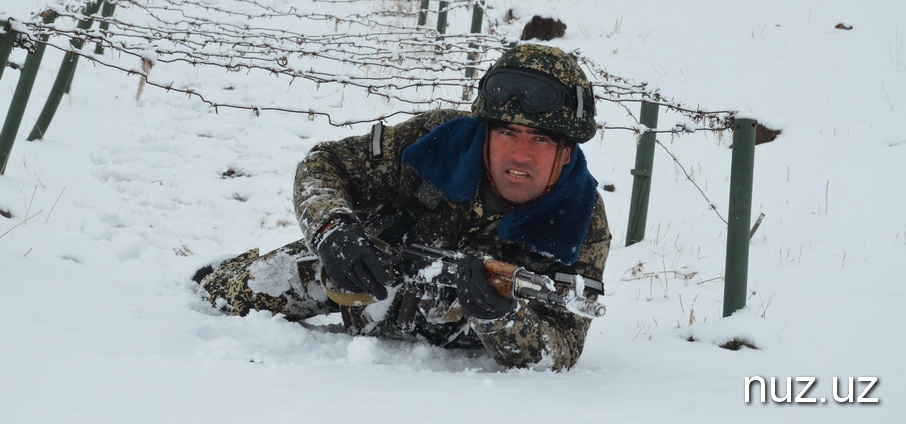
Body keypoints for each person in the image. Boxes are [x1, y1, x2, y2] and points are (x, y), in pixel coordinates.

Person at [195, 43, 612, 371]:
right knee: (221, 298)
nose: (520, 155)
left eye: (540, 140)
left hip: (446, 359)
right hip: (355, 274)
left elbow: (560, 352)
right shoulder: (435, 144)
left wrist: (501, 318)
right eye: (507, 133)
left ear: (566, 152)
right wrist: (332, 231)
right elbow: (325, 164)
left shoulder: (580, 221)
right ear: (486, 132)